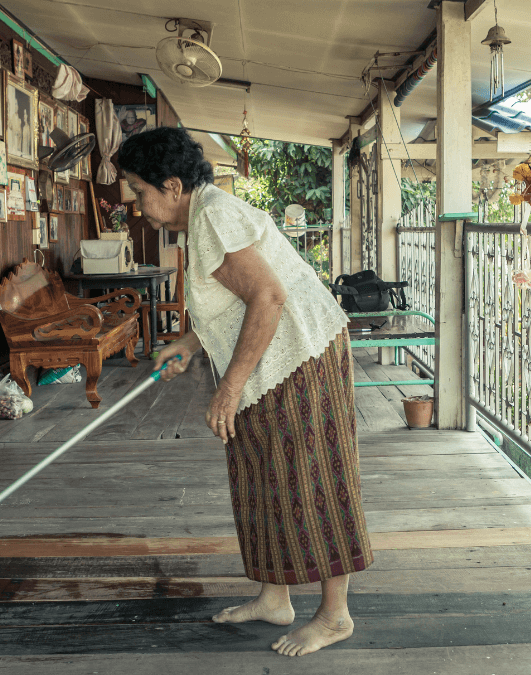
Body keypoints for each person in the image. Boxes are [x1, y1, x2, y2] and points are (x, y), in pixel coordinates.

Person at [118, 127, 372, 657]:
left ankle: (334, 615)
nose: (135, 202)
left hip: (301, 354)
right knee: (261, 472)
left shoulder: (212, 214)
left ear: (171, 185)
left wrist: (228, 388)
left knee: (312, 477)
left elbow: (269, 296)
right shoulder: (203, 216)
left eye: (138, 190)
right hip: (273, 354)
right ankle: (275, 597)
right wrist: (190, 343)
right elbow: (236, 298)